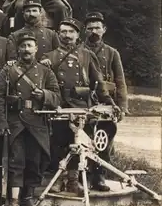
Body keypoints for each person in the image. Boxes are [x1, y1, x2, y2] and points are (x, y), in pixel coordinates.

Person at [40, 18, 121, 194]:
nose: (67, 35)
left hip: (81, 105)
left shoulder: (86, 54)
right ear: (58, 34)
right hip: (60, 105)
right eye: (63, 32)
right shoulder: (49, 57)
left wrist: (110, 102)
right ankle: (57, 180)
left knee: (79, 143)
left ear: (78, 34)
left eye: (71, 32)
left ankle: (73, 180)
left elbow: (98, 83)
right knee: (59, 142)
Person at [0, 32, 61, 206]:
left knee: (36, 161)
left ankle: (28, 198)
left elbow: (57, 96)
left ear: (36, 48)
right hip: (15, 122)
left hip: (38, 122)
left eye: (30, 45)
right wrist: (1, 122)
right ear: (18, 49)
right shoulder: (8, 71)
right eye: (23, 46)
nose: (26, 49)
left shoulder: (46, 71)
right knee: (16, 160)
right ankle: (13, 201)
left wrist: (45, 95)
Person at [83, 11, 128, 191]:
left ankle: (99, 176)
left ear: (104, 30)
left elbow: (120, 81)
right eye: (90, 28)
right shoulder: (79, 50)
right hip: (86, 100)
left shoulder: (112, 53)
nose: (94, 31)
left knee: (104, 138)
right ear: (84, 30)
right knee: (85, 137)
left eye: (97, 27)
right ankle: (83, 175)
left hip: (106, 102)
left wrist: (122, 107)